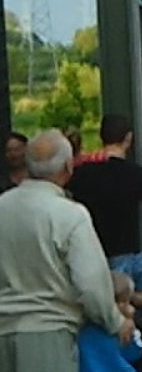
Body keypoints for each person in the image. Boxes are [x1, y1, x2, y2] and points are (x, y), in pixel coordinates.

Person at [0, 130, 133, 372]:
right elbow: (91, 284)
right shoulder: (70, 215)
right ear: (68, 167)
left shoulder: (2, 206)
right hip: (49, 332)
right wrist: (116, 321)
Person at [68, 114, 142, 258]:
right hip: (123, 255)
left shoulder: (81, 173)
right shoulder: (134, 174)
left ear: (101, 137)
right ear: (128, 138)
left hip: (91, 252)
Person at [78, 271, 142, 372]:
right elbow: (134, 352)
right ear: (122, 304)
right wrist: (130, 323)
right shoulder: (120, 329)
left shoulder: (82, 327)